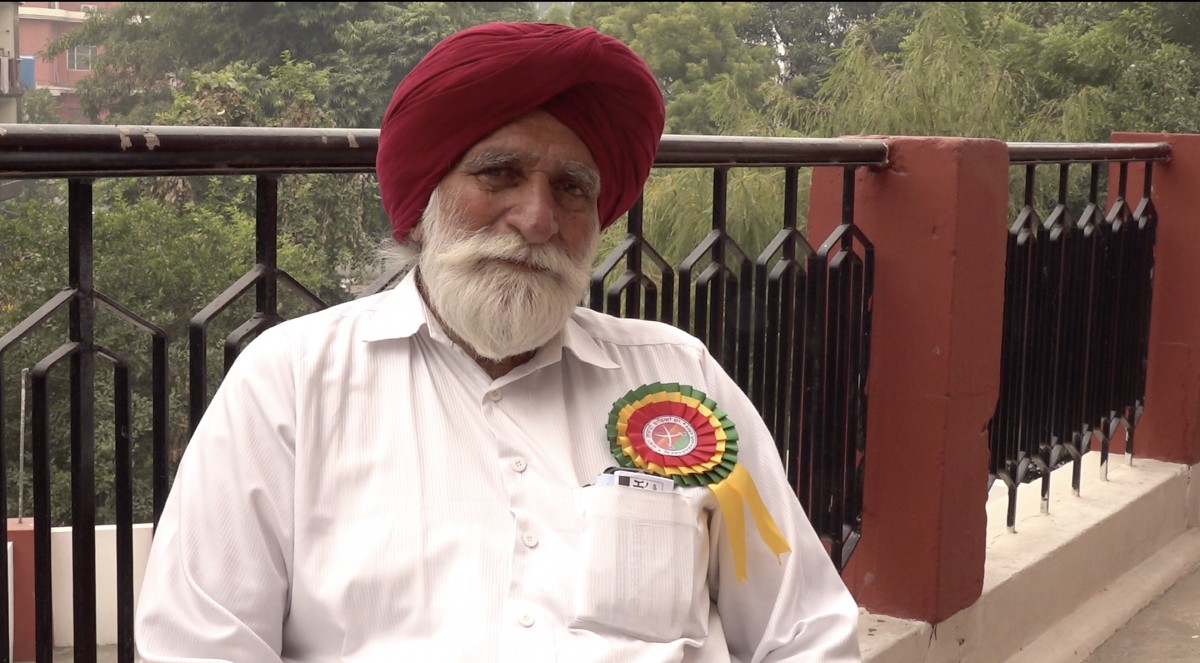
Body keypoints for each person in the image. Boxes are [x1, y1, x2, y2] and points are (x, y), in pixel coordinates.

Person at [134, 21, 863, 663]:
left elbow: (804, 630)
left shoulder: (679, 378)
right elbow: (199, 643)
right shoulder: (292, 380)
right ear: (425, 197)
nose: (536, 219)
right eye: (499, 174)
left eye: (571, 188)